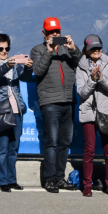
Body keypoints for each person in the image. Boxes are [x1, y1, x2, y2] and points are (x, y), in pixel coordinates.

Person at [29, 17, 80, 192]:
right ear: (44, 34)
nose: (55, 35)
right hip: (49, 102)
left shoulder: (67, 50)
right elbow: (37, 71)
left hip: (68, 100)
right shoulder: (37, 50)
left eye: (57, 31)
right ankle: (49, 179)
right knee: (51, 142)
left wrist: (74, 49)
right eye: (51, 32)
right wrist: (49, 51)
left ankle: (59, 178)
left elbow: (81, 64)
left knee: (65, 142)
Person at [0, 32, 27, 192]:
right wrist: (7, 65)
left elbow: (25, 77)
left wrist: (28, 67)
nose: (4, 52)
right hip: (0, 110)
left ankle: (11, 179)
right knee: (2, 147)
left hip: (17, 110)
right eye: (0, 49)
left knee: (13, 148)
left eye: (7, 49)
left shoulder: (14, 64)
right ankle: (1, 180)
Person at [75, 34, 108, 197]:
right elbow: (81, 92)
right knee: (89, 150)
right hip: (88, 112)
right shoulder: (80, 67)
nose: (97, 50)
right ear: (86, 49)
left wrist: (101, 78)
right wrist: (92, 80)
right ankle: (87, 185)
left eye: (99, 47)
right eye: (93, 48)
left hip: (106, 111)